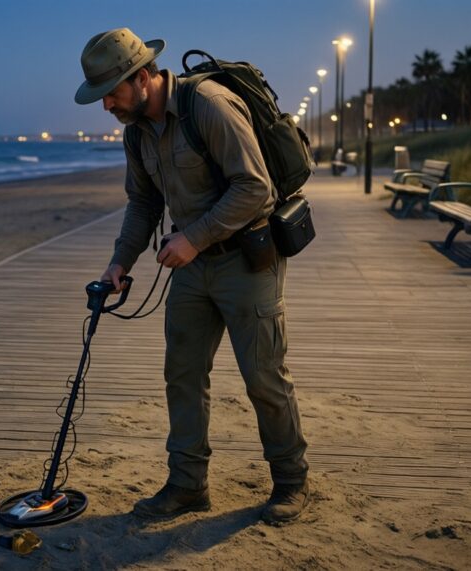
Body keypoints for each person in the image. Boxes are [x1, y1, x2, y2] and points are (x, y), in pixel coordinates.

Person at [75, 28, 310, 524]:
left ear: (142, 78)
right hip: (191, 266)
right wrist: (120, 263)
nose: (106, 106)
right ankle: (187, 485)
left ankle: (291, 481)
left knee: (263, 377)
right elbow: (143, 203)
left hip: (248, 260)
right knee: (182, 375)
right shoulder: (136, 130)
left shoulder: (210, 105)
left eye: (111, 93)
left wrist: (193, 239)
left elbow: (255, 188)